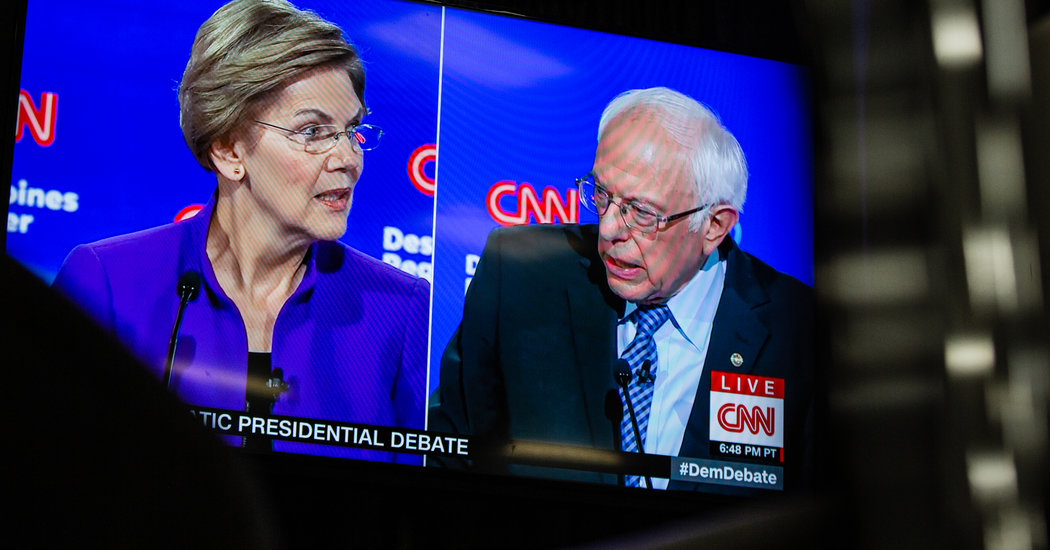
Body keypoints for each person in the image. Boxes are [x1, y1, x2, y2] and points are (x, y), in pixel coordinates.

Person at [52, 0, 429, 464]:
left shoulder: (399, 309)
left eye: (352, 130)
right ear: (229, 150)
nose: (348, 159)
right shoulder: (107, 283)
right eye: (312, 131)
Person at [429, 87, 814, 492]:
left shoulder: (798, 330)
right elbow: (449, 453)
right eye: (602, 195)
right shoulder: (520, 275)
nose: (610, 229)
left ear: (714, 225)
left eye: (642, 212)